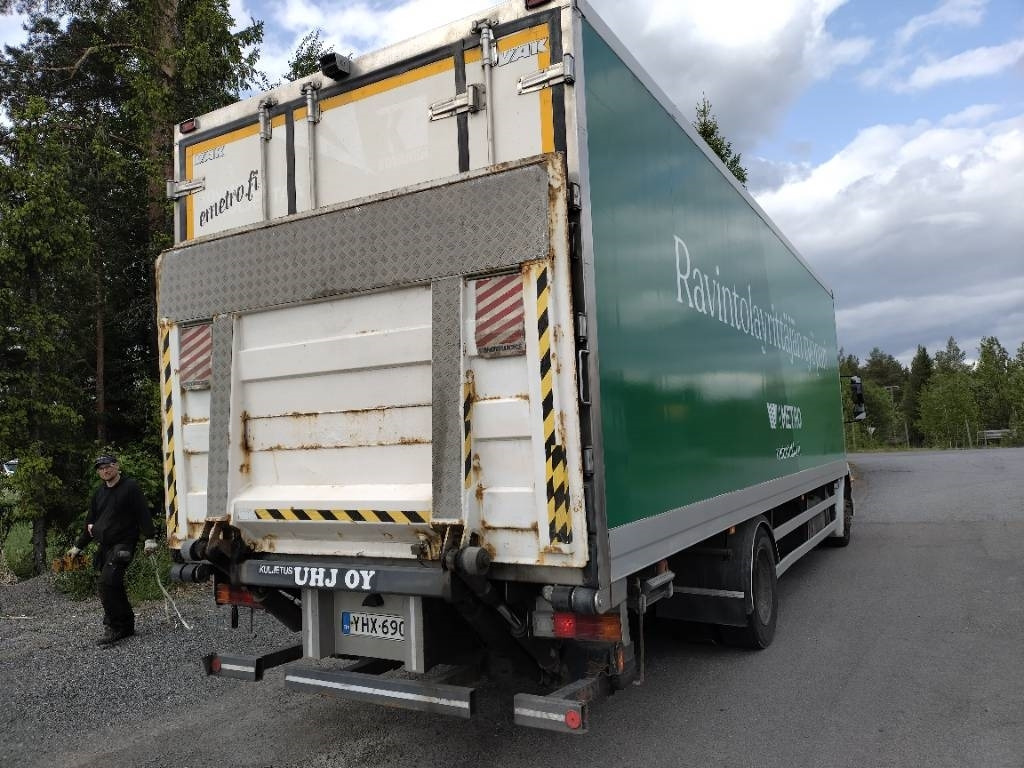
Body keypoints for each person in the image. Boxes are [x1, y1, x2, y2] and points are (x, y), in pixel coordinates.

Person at [68, 454, 158, 646]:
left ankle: (115, 627)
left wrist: (149, 538)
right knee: (113, 585)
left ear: (116, 466)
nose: (105, 471)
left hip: (124, 544)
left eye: (108, 466)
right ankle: (127, 625)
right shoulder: (99, 493)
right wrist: (78, 546)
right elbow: (89, 524)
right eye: (100, 468)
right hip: (105, 547)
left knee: (106, 583)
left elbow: (143, 513)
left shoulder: (130, 487)